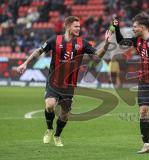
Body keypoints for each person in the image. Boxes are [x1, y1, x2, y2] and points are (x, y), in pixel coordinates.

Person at [17, 16, 112, 147]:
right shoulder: (54, 40)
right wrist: (25, 63)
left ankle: (57, 135)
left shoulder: (82, 43)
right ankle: (49, 129)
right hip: (54, 81)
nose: (79, 28)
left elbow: (97, 57)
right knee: (50, 105)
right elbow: (39, 51)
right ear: (68, 27)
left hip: (69, 85)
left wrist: (106, 44)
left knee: (64, 114)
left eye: (79, 26)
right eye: (76, 26)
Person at [112, 12, 149, 153]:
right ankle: (146, 145)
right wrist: (116, 28)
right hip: (144, 82)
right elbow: (121, 42)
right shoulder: (136, 40)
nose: (133, 29)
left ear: (143, 27)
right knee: (143, 111)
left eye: (135, 27)